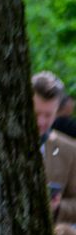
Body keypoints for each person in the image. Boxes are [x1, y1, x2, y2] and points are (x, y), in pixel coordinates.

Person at [35, 72, 76, 203]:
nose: (41, 122)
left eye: (48, 115)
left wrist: (58, 207)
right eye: (36, 113)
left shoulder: (70, 151)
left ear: (57, 111)